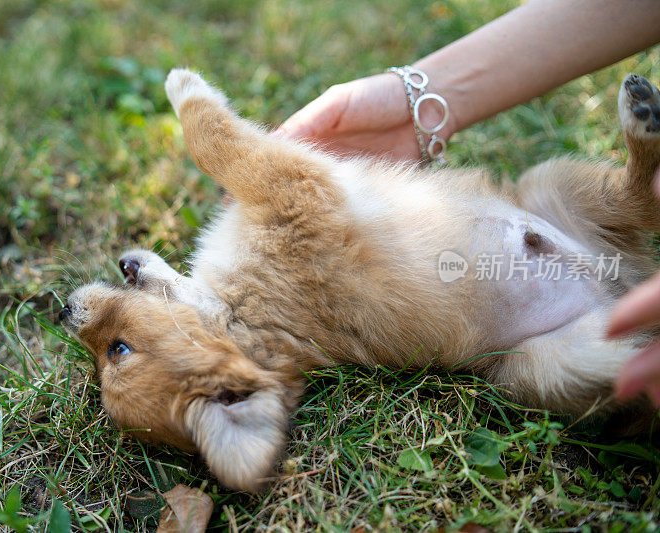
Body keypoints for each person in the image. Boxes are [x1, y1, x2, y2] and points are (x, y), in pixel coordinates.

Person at [273, 0, 660, 405]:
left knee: (549, 186)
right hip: (536, 335)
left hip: (555, 221)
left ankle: (640, 186)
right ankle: (622, 360)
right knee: (546, 373)